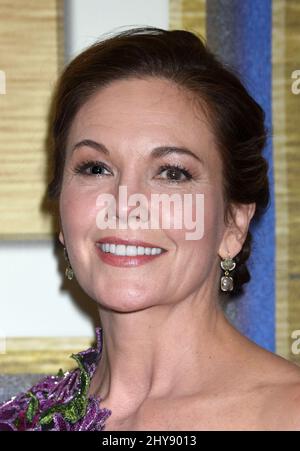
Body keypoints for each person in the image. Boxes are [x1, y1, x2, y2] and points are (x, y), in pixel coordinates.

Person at [1, 26, 300, 431]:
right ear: (62, 212)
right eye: (95, 168)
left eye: (172, 173)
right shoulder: (23, 421)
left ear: (233, 223)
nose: (125, 205)